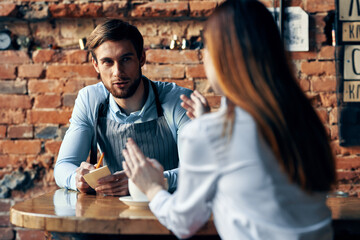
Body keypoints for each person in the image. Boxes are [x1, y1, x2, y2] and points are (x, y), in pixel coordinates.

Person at [121, 0, 336, 239]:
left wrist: (152, 187)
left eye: (206, 48)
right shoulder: (301, 118)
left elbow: (183, 223)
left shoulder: (212, 132)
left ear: (221, 57)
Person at [54, 19, 192, 196]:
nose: (117, 72)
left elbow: (198, 171)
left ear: (141, 58)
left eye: (125, 59)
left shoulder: (178, 100)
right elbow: (63, 166)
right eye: (107, 62)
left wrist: (143, 184)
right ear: (96, 65)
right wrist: (77, 178)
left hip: (172, 210)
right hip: (112, 214)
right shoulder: (90, 99)